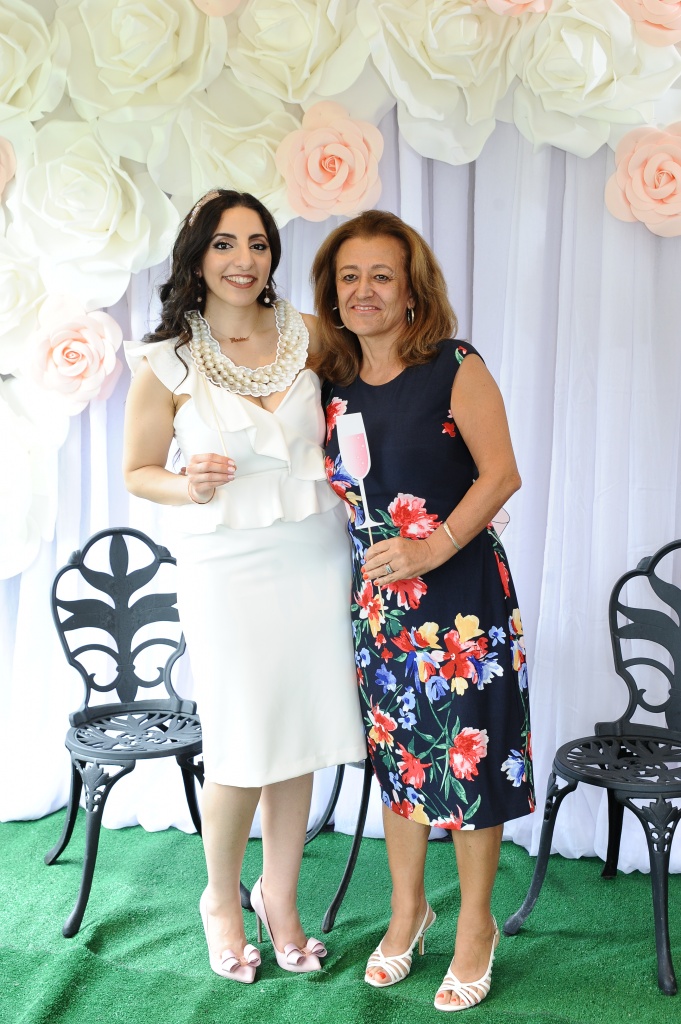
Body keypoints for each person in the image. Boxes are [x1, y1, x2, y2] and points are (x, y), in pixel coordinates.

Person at [123, 189, 366, 984]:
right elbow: (138, 471)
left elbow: (367, 418)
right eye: (225, 244)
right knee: (240, 736)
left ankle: (279, 898)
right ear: (196, 257)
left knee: (297, 727)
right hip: (224, 564)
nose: (243, 259)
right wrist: (185, 482)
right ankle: (219, 901)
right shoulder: (166, 361)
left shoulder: (313, 335)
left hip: (313, 552)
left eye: (257, 243)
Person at [311, 210, 534, 1012]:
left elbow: (500, 475)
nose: (363, 290)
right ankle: (408, 911)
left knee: (469, 762)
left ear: (412, 290)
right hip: (381, 608)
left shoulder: (453, 365)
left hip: (461, 603)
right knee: (401, 762)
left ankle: (475, 926)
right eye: (348, 276)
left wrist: (431, 548)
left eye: (381, 275)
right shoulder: (330, 383)